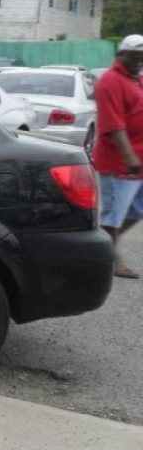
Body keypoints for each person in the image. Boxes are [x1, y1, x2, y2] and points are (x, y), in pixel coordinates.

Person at [93, 34, 143, 278]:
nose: (139, 61)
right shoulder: (110, 81)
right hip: (119, 162)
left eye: (142, 57)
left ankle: (105, 247)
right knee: (113, 214)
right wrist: (129, 156)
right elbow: (113, 125)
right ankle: (110, 260)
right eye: (135, 56)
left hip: (138, 160)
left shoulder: (136, 80)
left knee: (137, 210)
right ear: (121, 55)